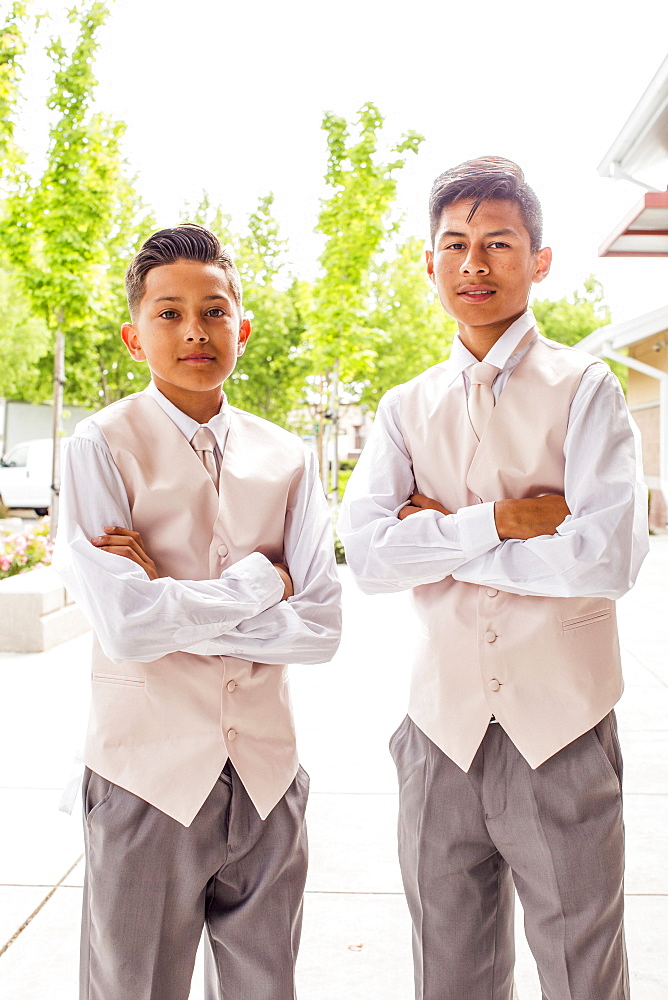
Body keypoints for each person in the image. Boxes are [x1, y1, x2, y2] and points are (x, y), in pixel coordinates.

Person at [338, 157, 648, 1000]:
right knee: (449, 973)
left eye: (499, 243)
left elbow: (607, 559)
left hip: (564, 729)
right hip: (439, 732)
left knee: (585, 972)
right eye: (456, 244)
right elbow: (364, 556)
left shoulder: (586, 390)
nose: (475, 263)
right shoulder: (406, 406)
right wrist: (500, 522)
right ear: (429, 260)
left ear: (539, 261)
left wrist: (433, 536)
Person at [54, 223, 342, 1000]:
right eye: (169, 313)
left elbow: (320, 631)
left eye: (214, 312)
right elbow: (125, 626)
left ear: (241, 327)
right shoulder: (99, 446)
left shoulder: (288, 456)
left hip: (267, 777)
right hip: (144, 777)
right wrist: (260, 583)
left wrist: (168, 595)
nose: (194, 331)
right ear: (133, 333)